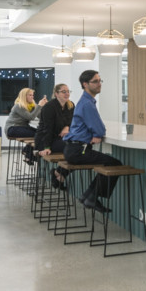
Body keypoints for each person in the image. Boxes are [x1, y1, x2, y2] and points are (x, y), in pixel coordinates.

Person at [63, 70, 124, 213]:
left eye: (99, 81)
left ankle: (89, 196)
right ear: (85, 84)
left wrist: (95, 133)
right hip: (78, 151)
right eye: (95, 81)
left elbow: (97, 129)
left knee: (109, 163)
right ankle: (91, 196)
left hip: (74, 149)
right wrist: (96, 133)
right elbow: (100, 129)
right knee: (115, 164)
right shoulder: (87, 104)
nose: (99, 84)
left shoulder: (87, 101)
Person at [35, 83, 75, 189]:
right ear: (56, 94)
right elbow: (48, 129)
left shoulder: (70, 105)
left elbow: (73, 121)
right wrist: (46, 147)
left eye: (68, 91)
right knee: (75, 150)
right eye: (63, 91)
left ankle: (59, 173)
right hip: (45, 139)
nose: (67, 94)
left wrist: (67, 127)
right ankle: (59, 173)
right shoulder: (49, 107)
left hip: (60, 139)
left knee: (79, 150)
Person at [6, 87, 43, 164]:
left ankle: (27, 153)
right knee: (38, 134)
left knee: (40, 133)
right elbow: (31, 117)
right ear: (24, 96)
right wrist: (39, 106)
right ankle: (28, 153)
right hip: (13, 128)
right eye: (30, 95)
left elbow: (40, 116)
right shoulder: (18, 106)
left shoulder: (31, 106)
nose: (32, 97)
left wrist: (42, 107)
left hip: (23, 127)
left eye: (32, 95)